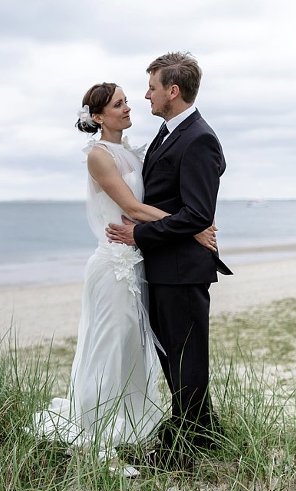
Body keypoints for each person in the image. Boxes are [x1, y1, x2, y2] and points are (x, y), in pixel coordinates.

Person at [30, 82, 217, 476]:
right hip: (114, 265)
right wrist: (194, 228)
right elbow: (131, 206)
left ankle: (126, 426)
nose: (129, 106)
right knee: (110, 348)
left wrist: (190, 220)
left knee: (132, 349)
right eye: (119, 104)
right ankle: (97, 438)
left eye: (128, 99)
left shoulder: (134, 151)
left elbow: (163, 197)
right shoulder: (98, 156)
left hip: (138, 262)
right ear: (98, 117)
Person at [106, 52, 231, 469]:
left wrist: (138, 233)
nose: (146, 95)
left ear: (172, 91)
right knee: (176, 359)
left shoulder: (198, 137)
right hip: (166, 267)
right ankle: (205, 432)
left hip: (181, 270)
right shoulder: (169, 133)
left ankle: (185, 451)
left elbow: (197, 214)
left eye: (153, 88)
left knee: (186, 360)